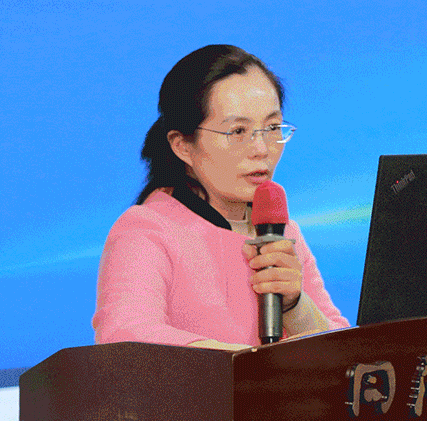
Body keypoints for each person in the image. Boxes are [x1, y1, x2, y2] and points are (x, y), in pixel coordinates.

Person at [92, 45, 350, 351]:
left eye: (272, 127)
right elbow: (125, 336)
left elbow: (347, 351)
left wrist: (295, 305)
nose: (261, 149)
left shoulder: (283, 231)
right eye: (238, 131)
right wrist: (247, 362)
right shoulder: (147, 229)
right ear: (183, 145)